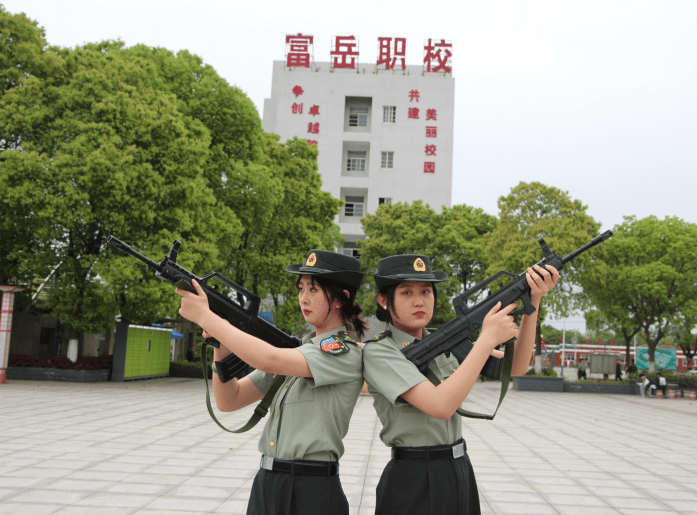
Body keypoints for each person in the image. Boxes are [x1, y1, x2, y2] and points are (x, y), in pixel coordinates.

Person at [362, 254, 559, 515]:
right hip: (412, 476)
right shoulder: (380, 351)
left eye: (426, 291)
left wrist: (533, 300)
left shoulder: (447, 341)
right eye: (406, 292)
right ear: (384, 300)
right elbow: (440, 405)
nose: (419, 300)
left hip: (458, 468)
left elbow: (516, 367)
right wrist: (487, 338)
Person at [177, 250, 366, 514]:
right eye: (301, 288)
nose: (303, 298)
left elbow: (268, 359)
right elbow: (229, 400)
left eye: (313, 289)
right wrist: (220, 347)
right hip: (268, 483)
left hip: (312, 490)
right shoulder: (296, 353)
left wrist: (208, 318)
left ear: (340, 299)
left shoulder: (343, 351)